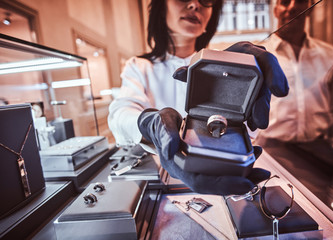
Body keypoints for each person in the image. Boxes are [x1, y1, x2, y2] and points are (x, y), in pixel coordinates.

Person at [108, 0, 289, 195]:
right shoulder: (139, 66)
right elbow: (120, 114)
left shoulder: (227, 65)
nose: (195, 5)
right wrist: (147, 122)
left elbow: (245, 132)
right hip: (158, 184)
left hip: (221, 189)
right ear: (162, 7)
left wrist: (247, 83)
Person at [255, 0, 333, 166]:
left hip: (319, 152)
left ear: (310, 8)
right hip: (270, 151)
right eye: (285, 2)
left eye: (299, 1)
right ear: (276, 9)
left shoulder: (330, 56)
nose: (292, 6)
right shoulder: (259, 56)